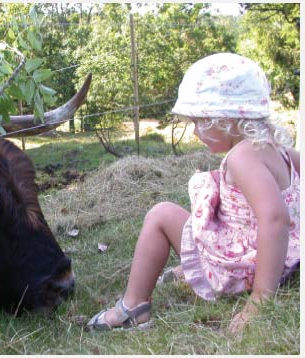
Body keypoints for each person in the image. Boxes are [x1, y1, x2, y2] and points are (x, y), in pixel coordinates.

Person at [86, 53, 300, 334]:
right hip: (286, 260)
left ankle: (132, 307)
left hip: (245, 269)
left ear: (225, 118)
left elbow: (275, 219)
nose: (196, 131)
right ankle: (191, 268)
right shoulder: (279, 150)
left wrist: (261, 299)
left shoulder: (242, 157)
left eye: (199, 121)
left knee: (161, 214)